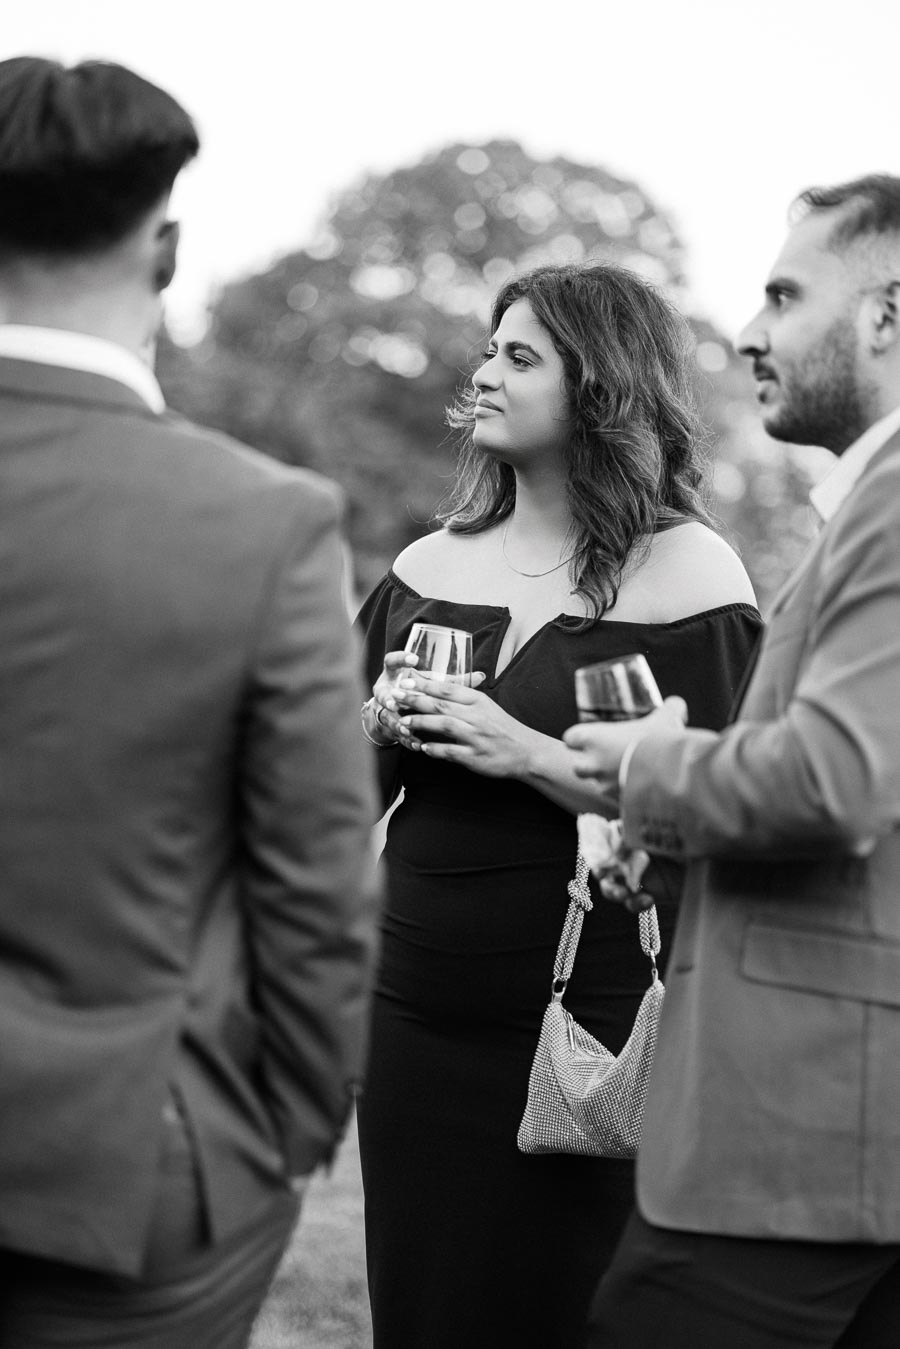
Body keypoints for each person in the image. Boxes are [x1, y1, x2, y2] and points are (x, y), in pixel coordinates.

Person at [0, 56, 379, 1349]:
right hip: (125, 1164)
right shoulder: (261, 522)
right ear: (164, 247)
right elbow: (317, 876)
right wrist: (287, 1129)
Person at [355, 261, 762, 1348]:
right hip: (415, 1009)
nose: (485, 374)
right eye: (490, 350)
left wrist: (522, 749)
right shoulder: (428, 565)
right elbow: (342, 792)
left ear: (601, 386)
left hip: (593, 1020)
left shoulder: (692, 575)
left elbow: (717, 807)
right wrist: (372, 729)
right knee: (426, 1305)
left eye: (521, 357)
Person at [563, 175, 900, 1349]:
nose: (751, 331)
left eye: (785, 296)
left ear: (886, 315)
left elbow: (833, 782)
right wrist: (662, 843)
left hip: (807, 1125)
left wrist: (650, 768)